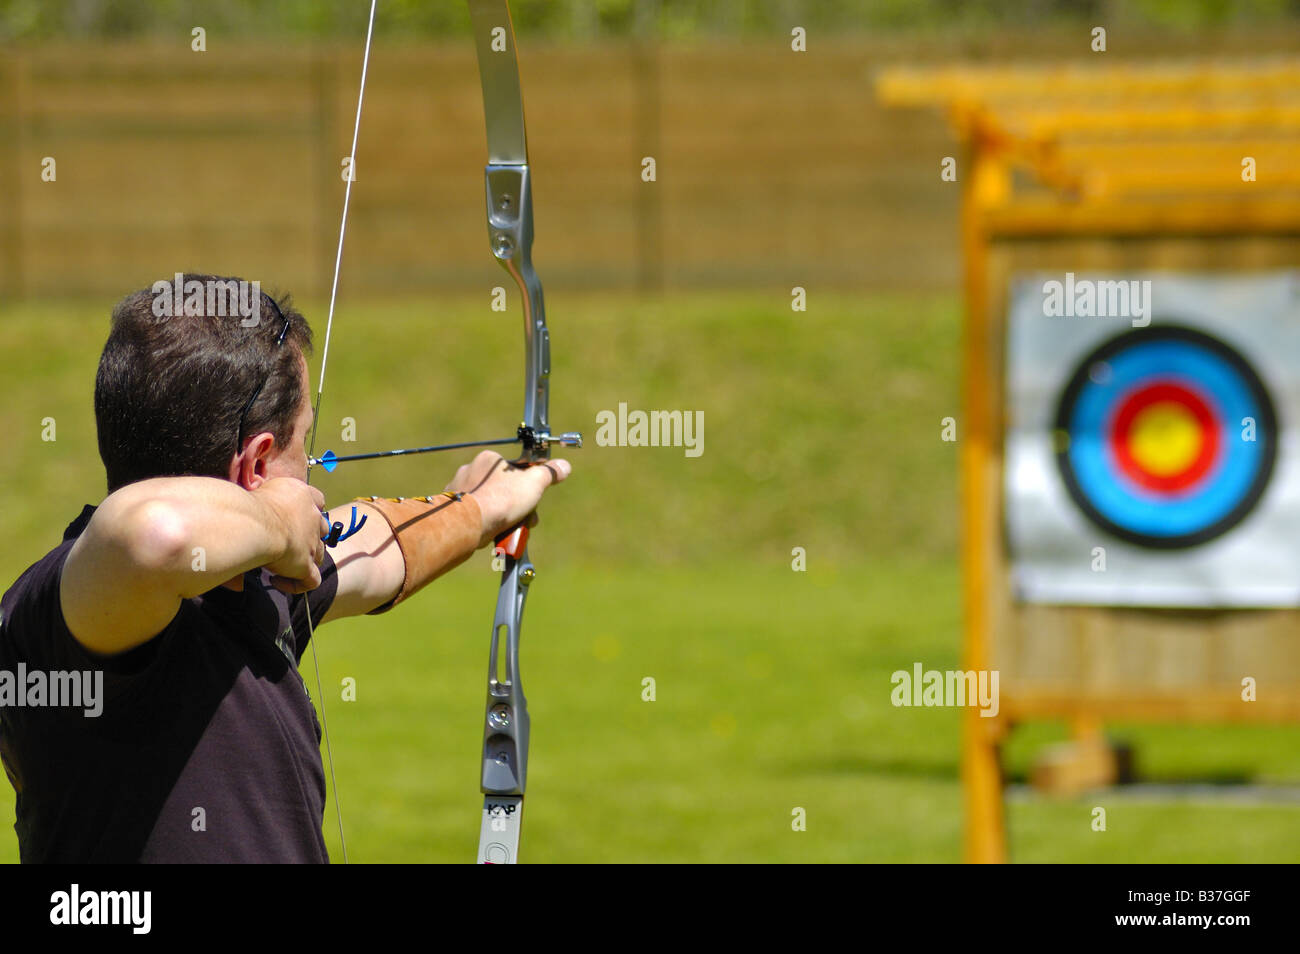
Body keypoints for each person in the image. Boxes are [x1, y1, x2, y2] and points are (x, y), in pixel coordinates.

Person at [0, 274, 571, 862]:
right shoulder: (65, 615)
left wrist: (479, 509)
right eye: (307, 445)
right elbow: (154, 535)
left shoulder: (254, 586)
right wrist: (276, 519)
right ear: (258, 464)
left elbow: (371, 545)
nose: (315, 474)